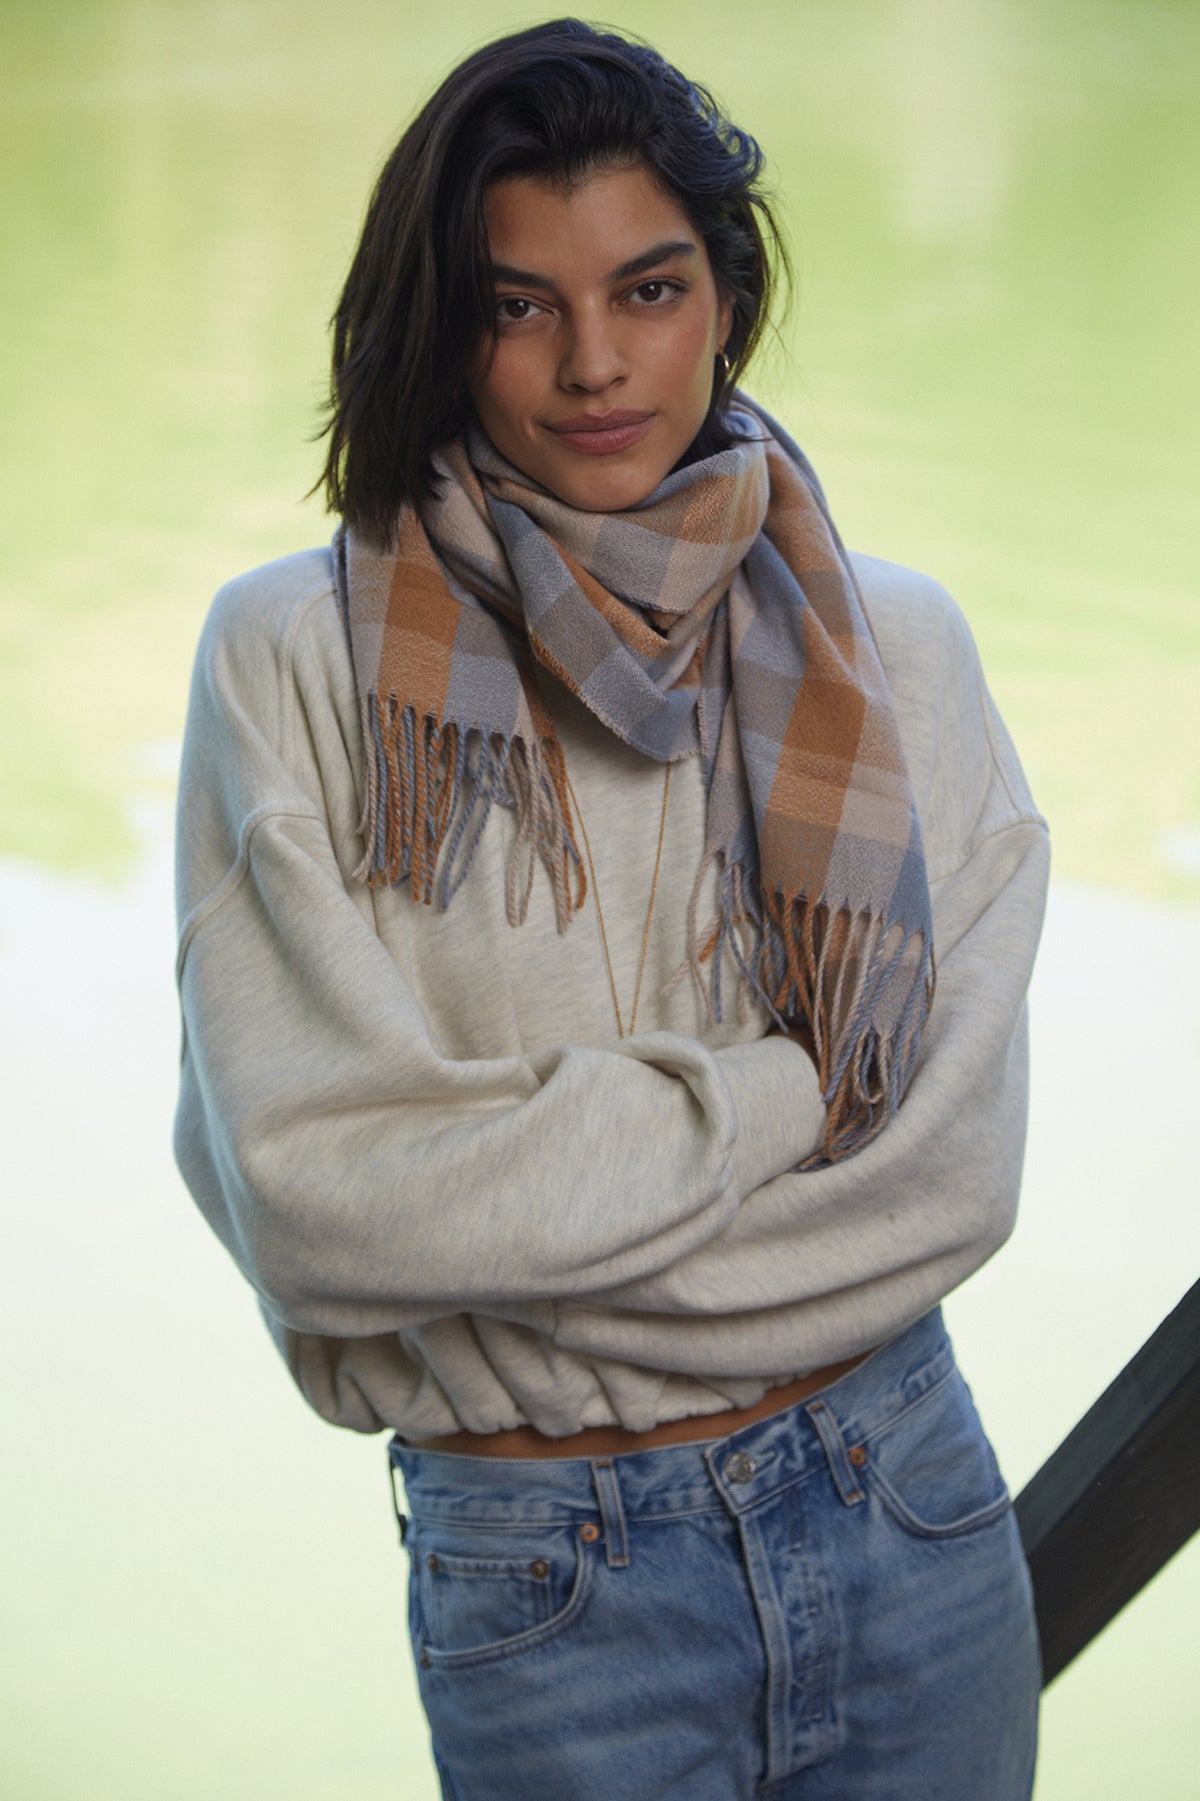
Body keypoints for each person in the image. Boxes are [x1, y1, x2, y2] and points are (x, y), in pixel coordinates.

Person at [173, 19, 1049, 1800]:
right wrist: (793, 1094)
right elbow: (318, 1200)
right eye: (520, 305)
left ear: (724, 296)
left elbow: (955, 1176)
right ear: (446, 323)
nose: (593, 364)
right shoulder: (303, 663)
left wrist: (523, 1243)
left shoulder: (901, 651)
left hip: (908, 1503)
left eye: (646, 288)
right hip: (551, 1574)